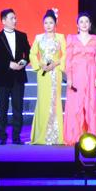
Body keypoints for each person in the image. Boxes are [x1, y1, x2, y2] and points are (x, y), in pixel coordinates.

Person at [63, 12, 96, 145]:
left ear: (90, 24)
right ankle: (75, 136)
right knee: (76, 105)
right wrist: (69, 78)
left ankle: (93, 134)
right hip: (76, 75)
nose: (84, 24)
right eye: (81, 21)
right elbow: (68, 60)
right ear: (77, 25)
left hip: (91, 74)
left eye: (86, 21)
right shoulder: (71, 39)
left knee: (91, 104)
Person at [0, 8, 30, 144]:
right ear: (3, 21)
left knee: (18, 108)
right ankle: (2, 137)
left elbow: (28, 54)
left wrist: (22, 63)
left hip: (18, 77)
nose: (15, 20)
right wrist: (9, 64)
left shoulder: (22, 36)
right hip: (3, 78)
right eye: (12, 18)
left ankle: (16, 137)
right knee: (2, 108)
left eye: (15, 18)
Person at [29, 10, 65, 145]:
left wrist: (55, 63)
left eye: (51, 22)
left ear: (55, 24)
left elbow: (66, 54)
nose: (48, 25)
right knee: (43, 100)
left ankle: (56, 136)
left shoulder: (60, 37)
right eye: (46, 23)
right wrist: (41, 65)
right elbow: (32, 54)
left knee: (55, 100)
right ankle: (41, 135)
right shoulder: (38, 38)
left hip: (55, 72)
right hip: (43, 73)